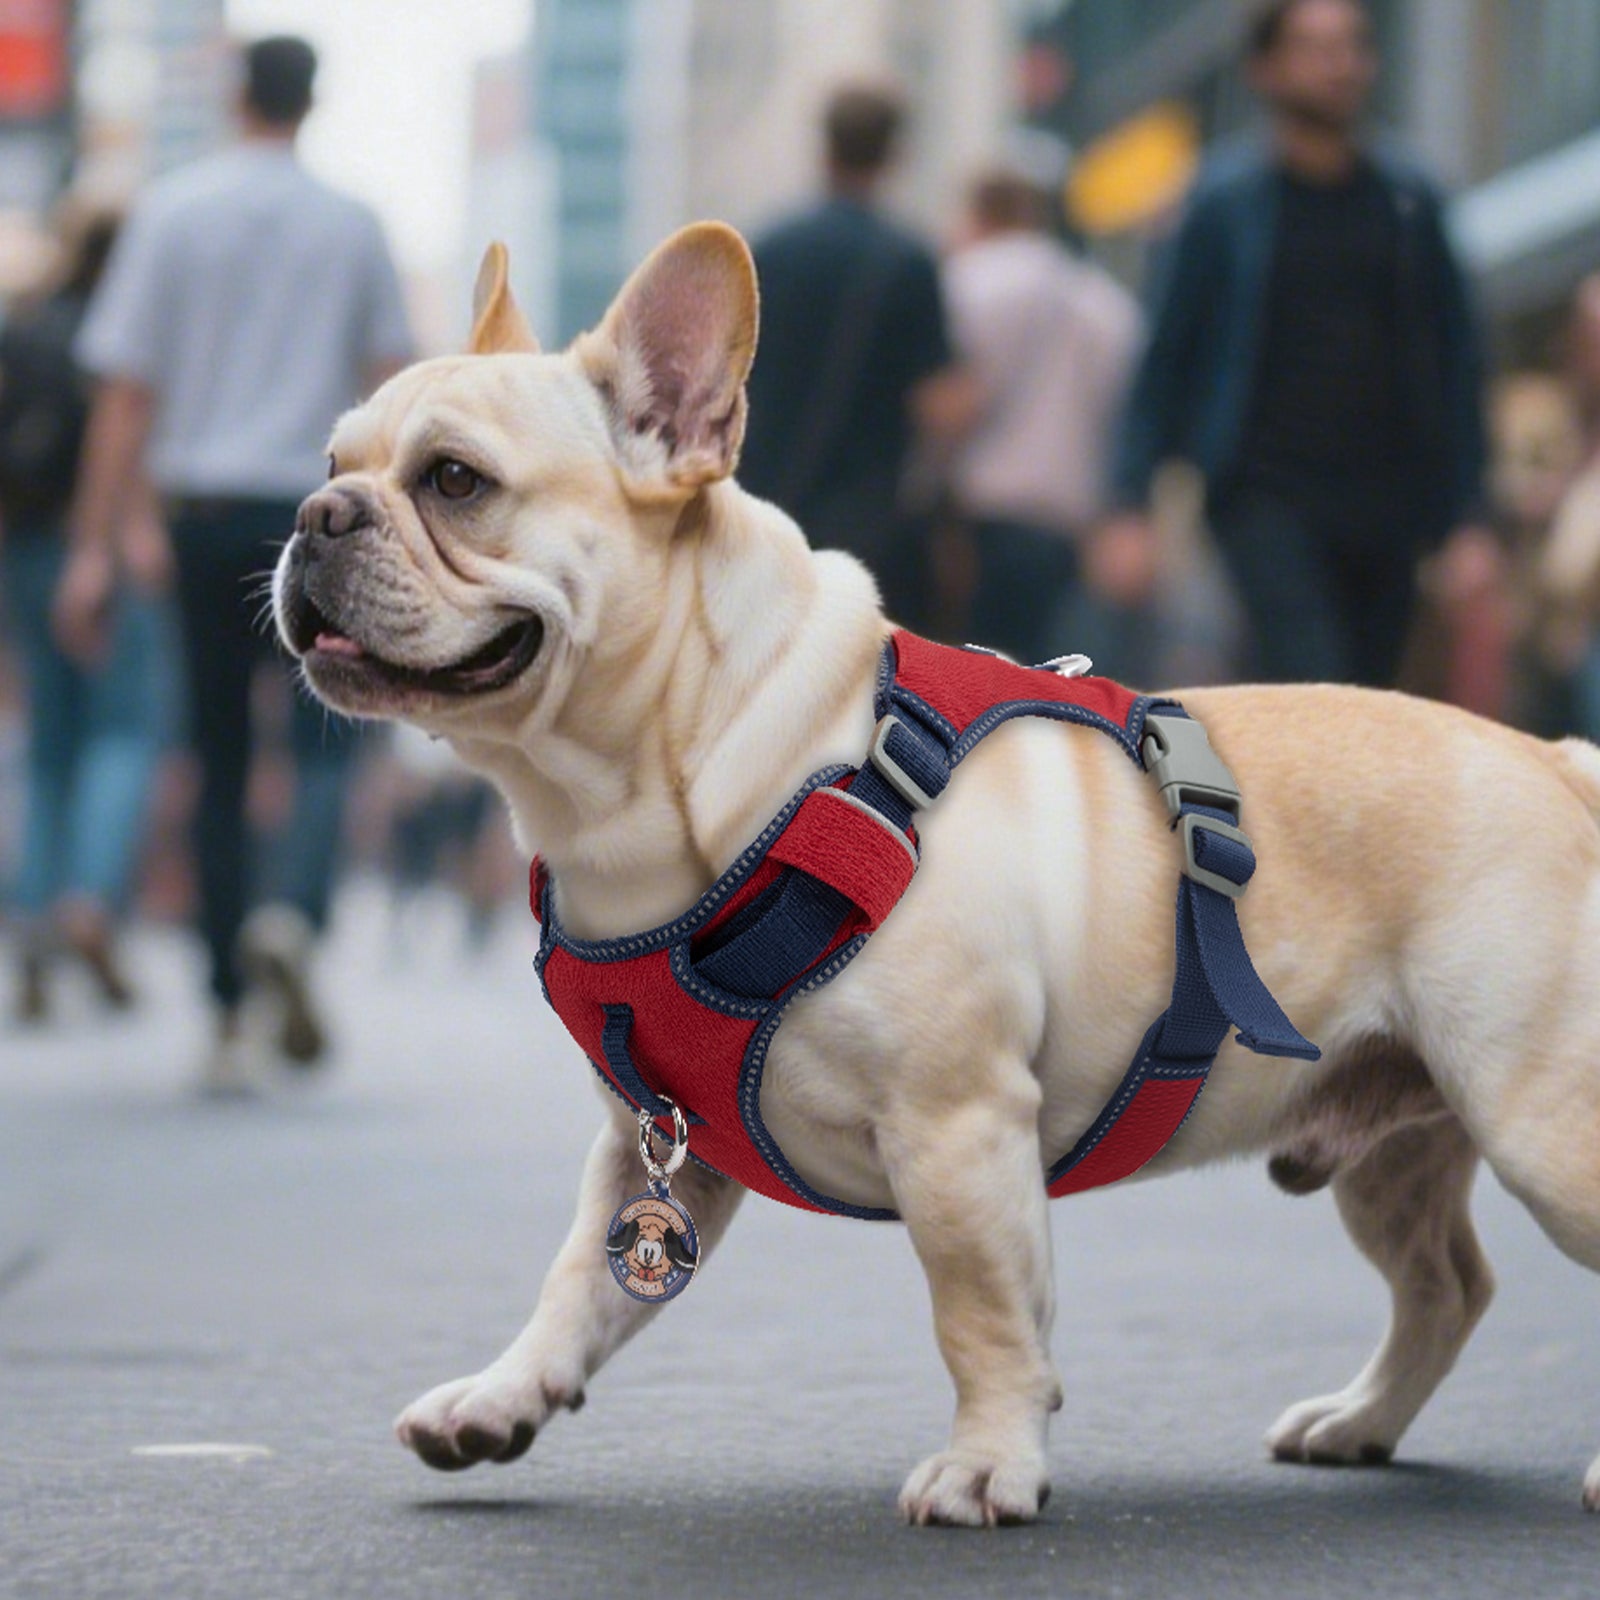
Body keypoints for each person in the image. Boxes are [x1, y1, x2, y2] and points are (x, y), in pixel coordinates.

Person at [55, 35, 414, 1092]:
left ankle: (223, 1009)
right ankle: (290, 915)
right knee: (325, 731)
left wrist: (97, 544)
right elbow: (395, 383)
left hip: (199, 517)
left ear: (232, 95)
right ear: (313, 102)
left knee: (213, 754)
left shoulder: (172, 212)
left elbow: (127, 391)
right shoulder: (354, 224)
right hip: (319, 513)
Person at [1102, 0, 1491, 689]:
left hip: (1389, 506)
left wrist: (1469, 519)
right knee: (1313, 677)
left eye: (1351, 46)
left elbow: (1459, 366)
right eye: (1315, 48)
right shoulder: (1222, 205)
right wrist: (1128, 502)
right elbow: (1166, 356)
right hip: (1264, 494)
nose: (1339, 65)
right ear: (1266, 69)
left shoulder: (1410, 201)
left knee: (1367, 699)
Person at [0, 198, 170, 1021]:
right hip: (101, 546)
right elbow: (130, 431)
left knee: (50, 745)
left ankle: (34, 914)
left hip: (22, 549)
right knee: (124, 729)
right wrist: (118, 537)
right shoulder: (129, 336)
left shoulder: (26, 325)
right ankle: (91, 905)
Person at [737, 83, 972, 626]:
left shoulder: (767, 249)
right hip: (869, 530)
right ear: (894, 156)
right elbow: (940, 405)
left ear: (824, 149)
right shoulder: (908, 259)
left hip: (765, 513)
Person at [942, 167, 1140, 664]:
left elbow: (949, 405)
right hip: (1067, 525)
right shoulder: (1106, 301)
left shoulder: (971, 278)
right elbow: (1126, 421)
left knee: (970, 678)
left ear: (980, 213)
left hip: (981, 517)